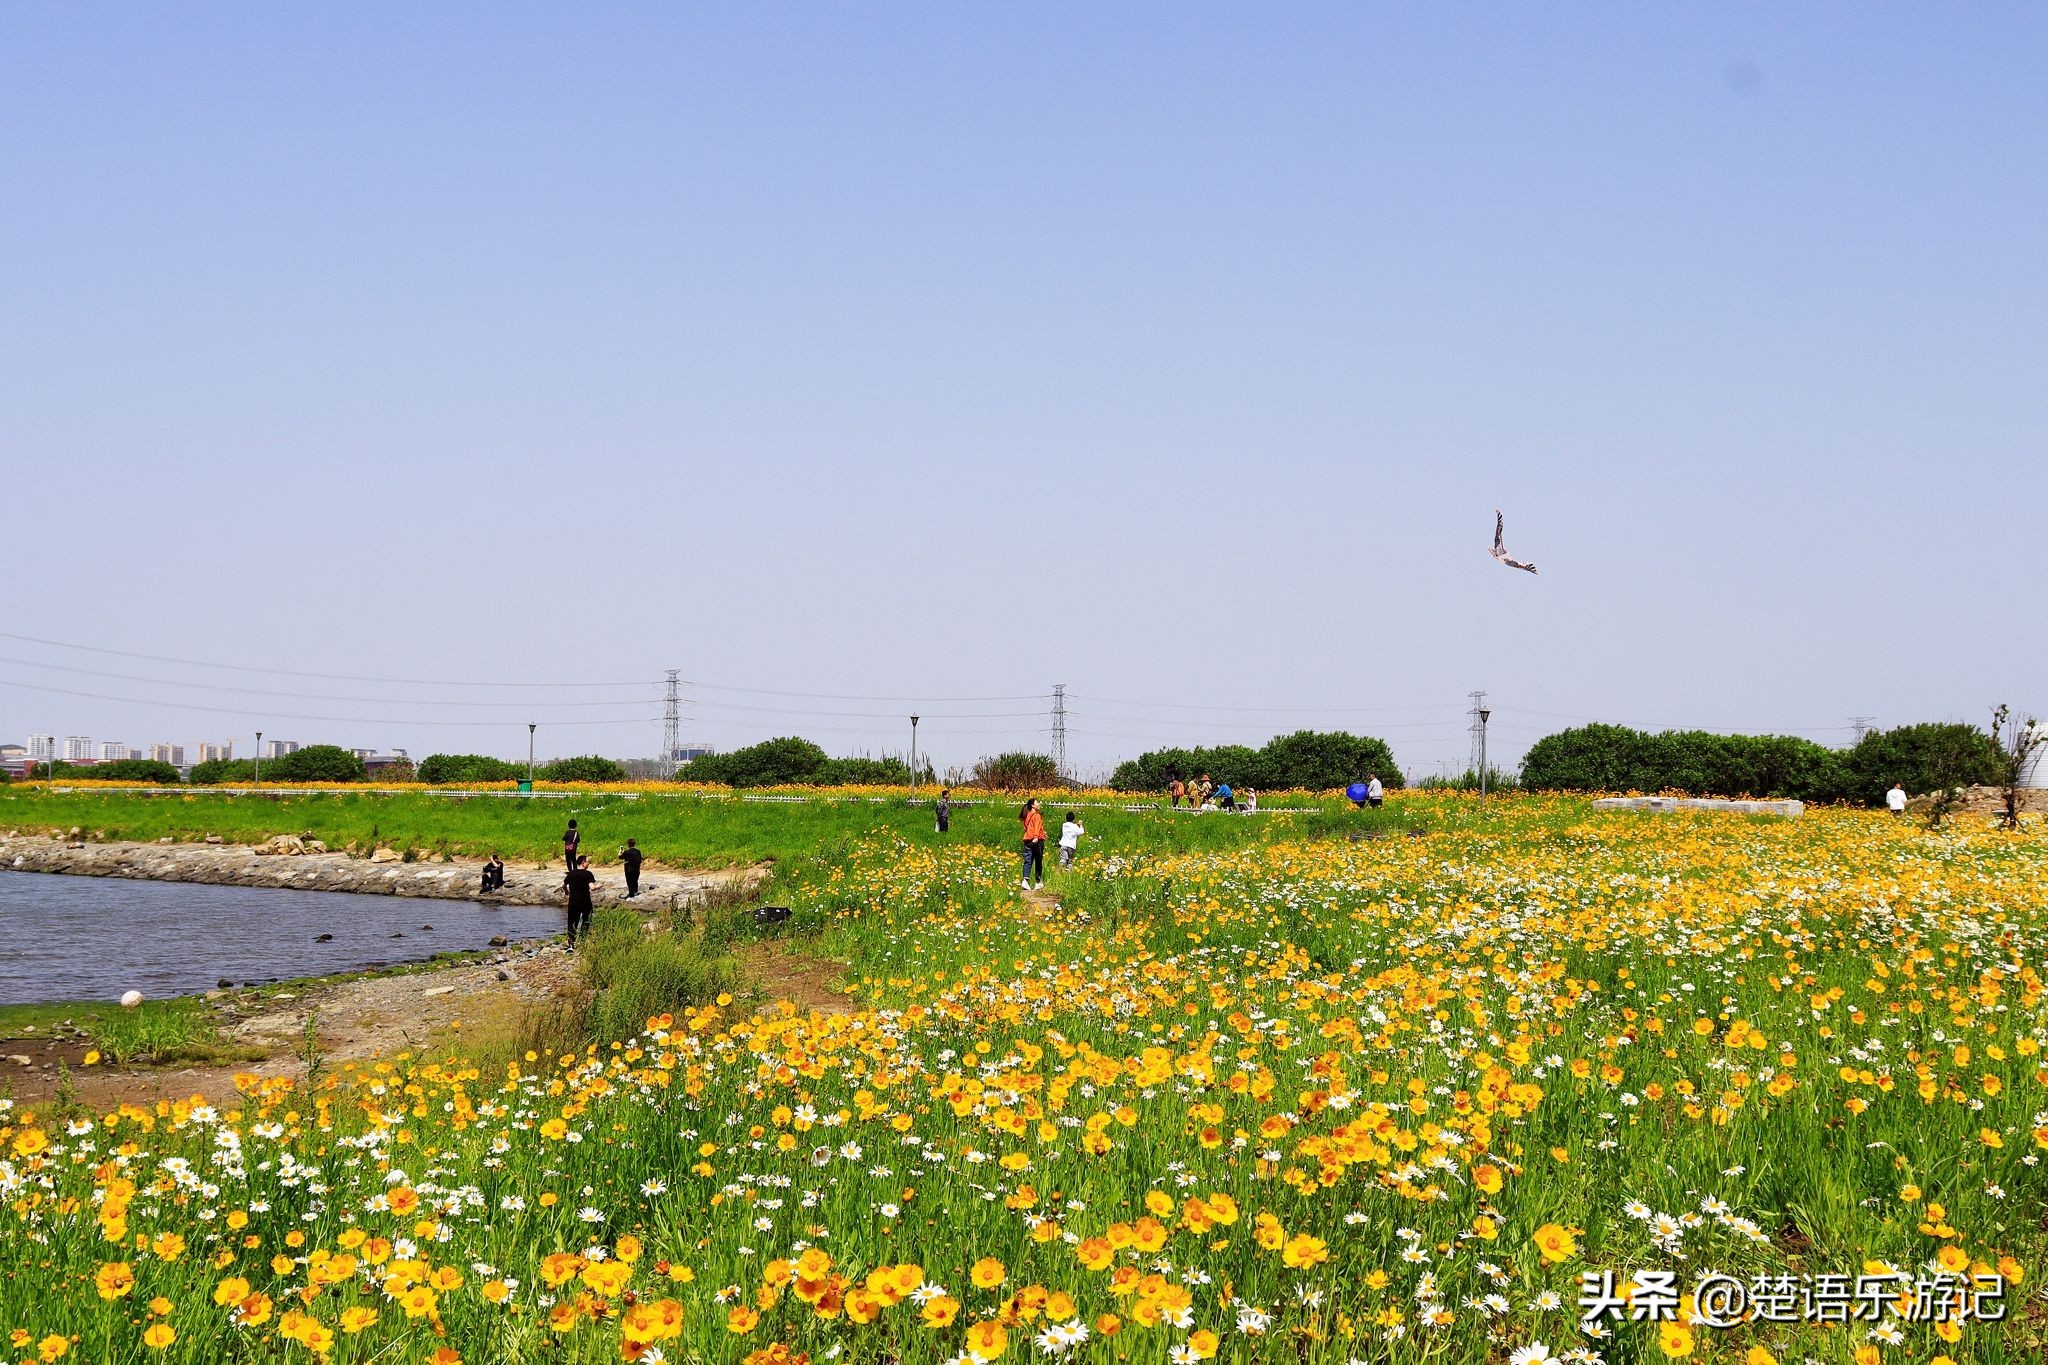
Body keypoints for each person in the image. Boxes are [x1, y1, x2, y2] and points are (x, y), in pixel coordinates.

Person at [563, 854, 596, 945]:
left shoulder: (571, 873)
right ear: (583, 862)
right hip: (585, 902)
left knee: (572, 922)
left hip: (573, 902)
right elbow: (592, 887)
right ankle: (582, 940)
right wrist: (599, 886)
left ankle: (571, 943)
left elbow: (564, 885)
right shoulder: (588, 874)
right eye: (588, 861)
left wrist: (566, 891)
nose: (588, 863)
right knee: (586, 921)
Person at [1019, 798, 1047, 891]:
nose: (1039, 804)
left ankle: (1025, 880)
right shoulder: (1037, 815)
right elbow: (1037, 827)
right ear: (1033, 805)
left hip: (1027, 840)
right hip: (1036, 841)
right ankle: (1038, 882)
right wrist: (1036, 836)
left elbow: (1026, 828)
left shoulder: (1027, 815)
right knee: (1038, 861)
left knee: (1028, 861)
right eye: (1037, 802)